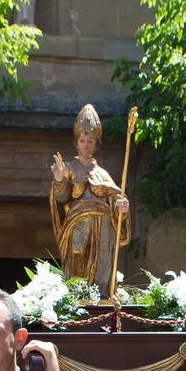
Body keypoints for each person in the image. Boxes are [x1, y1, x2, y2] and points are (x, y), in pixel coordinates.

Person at [50, 104, 130, 294]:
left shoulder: (103, 174)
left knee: (102, 268)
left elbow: (115, 204)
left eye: (90, 141)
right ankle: (77, 297)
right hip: (78, 226)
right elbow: (61, 199)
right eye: (83, 140)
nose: (86, 144)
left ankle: (102, 298)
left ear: (96, 144)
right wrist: (59, 179)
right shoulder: (68, 168)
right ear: (76, 143)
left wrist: (121, 207)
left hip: (103, 228)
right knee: (77, 265)